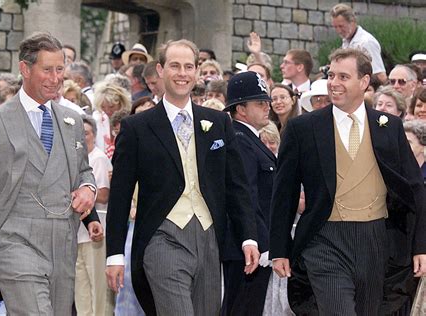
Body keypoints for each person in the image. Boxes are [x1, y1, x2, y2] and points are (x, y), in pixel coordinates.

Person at [105, 39, 260, 316]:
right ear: (161, 70)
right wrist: (115, 254)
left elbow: (237, 186)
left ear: (197, 72)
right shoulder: (136, 127)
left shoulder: (219, 123)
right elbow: (119, 194)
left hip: (210, 238)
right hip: (161, 239)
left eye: (189, 66)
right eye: (175, 66)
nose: (182, 73)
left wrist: (249, 236)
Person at [0, 32, 102, 315]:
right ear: (25, 69)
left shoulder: (71, 122)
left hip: (63, 243)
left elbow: (84, 171)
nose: (56, 78)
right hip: (14, 242)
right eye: (47, 69)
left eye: (60, 70)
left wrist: (87, 188)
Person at [270, 47, 426, 315]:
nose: (334, 83)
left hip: (376, 239)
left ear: (364, 82)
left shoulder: (389, 126)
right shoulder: (303, 128)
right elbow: (284, 191)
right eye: (331, 75)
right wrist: (279, 248)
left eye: (344, 76)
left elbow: (414, 189)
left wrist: (420, 245)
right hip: (324, 239)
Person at [221, 71, 275, 316]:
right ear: (240, 109)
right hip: (247, 246)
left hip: (249, 244)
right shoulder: (240, 140)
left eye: (267, 102)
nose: (267, 107)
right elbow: (246, 195)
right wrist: (259, 241)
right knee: (242, 309)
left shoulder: (249, 139)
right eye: (260, 103)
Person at [75, 115, 111, 316]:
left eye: (87, 133)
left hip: (97, 230)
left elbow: (104, 195)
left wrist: (84, 193)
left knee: (98, 287)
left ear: (94, 135)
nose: (83, 137)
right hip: (77, 234)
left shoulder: (98, 157)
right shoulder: (74, 159)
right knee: (81, 288)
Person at [330, 3, 387, 83]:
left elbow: (380, 76)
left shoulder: (366, 42)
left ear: (352, 22)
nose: (338, 31)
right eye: (335, 27)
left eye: (341, 26)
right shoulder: (346, 41)